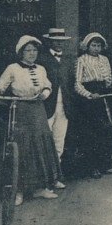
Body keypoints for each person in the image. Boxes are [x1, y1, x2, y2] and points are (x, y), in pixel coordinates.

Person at [0, 36, 62, 205]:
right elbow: (1, 85)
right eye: (28, 50)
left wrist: (44, 93)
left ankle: (40, 188)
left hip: (38, 110)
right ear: (21, 52)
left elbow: (47, 85)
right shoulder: (12, 68)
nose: (32, 54)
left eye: (34, 50)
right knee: (22, 146)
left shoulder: (42, 69)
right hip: (20, 110)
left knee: (40, 145)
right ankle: (19, 191)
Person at [73, 32, 112, 179]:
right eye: (93, 45)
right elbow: (77, 84)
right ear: (87, 46)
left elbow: (108, 78)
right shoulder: (81, 60)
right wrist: (89, 94)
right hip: (88, 99)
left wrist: (106, 89)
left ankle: (105, 164)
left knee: (105, 130)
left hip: (102, 96)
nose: (96, 48)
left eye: (99, 46)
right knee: (91, 134)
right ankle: (93, 167)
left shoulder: (105, 59)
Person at [37, 28, 73, 180]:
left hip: (64, 105)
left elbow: (71, 82)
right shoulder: (41, 59)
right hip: (47, 105)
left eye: (62, 41)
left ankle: (56, 176)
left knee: (59, 141)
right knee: (45, 141)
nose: (59, 43)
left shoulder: (68, 59)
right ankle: (43, 177)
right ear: (50, 42)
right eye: (56, 41)